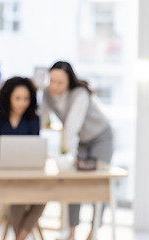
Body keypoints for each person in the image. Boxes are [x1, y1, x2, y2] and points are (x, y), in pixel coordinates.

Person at [40, 61, 113, 240]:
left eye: (60, 83)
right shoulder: (47, 93)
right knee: (74, 183)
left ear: (69, 81)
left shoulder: (79, 94)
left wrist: (70, 154)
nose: (55, 87)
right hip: (81, 141)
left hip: (99, 137)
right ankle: (72, 232)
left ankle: (93, 232)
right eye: (52, 81)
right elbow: (41, 119)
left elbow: (72, 127)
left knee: (98, 184)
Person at [0, 77, 45, 240]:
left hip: (28, 174)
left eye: (26, 99)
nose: (22, 103)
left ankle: (20, 236)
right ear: (8, 97)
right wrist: (1, 159)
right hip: (5, 175)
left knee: (44, 194)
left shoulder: (33, 119)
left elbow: (33, 148)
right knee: (19, 195)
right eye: (17, 98)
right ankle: (21, 236)